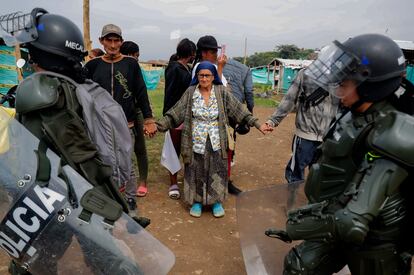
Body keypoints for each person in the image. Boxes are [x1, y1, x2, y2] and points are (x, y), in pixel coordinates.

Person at [2, 8, 146, 274]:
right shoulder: (83, 87)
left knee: (35, 262)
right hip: (79, 197)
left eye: (33, 54)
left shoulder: (44, 93)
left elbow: (74, 154)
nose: (31, 61)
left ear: (41, 57)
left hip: (54, 196)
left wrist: (116, 207)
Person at [269, 34, 413, 274]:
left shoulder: (391, 134)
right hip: (337, 215)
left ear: (370, 86)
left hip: (374, 238)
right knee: (299, 266)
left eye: (344, 84)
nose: (336, 88)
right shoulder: (354, 113)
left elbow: (352, 221)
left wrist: (298, 227)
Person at [157, 61, 269, 218]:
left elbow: (239, 110)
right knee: (195, 170)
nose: (204, 78)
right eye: (201, 75)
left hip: (217, 139)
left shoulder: (221, 92)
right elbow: (176, 113)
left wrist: (257, 124)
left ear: (213, 76)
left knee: (217, 170)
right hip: (196, 140)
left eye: (207, 75)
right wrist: (157, 126)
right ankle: (196, 202)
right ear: (197, 76)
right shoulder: (190, 92)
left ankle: (216, 202)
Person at [85, 24, 157, 211]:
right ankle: (107, 196)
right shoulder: (92, 65)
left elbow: (141, 92)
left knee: (126, 161)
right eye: (108, 40)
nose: (113, 44)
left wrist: (148, 119)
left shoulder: (130, 64)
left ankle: (130, 198)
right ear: (101, 41)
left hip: (126, 123)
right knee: (102, 160)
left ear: (121, 42)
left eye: (116, 40)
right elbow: (83, 94)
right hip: (99, 125)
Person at [265, 68, 339, 210]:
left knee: (320, 174)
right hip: (305, 134)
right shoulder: (305, 74)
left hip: (328, 137)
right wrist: (273, 120)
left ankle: (314, 207)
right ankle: (291, 205)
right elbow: (290, 98)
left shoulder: (342, 77)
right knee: (296, 172)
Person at [162, 38, 196, 199]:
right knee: (173, 150)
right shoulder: (175, 69)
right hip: (176, 116)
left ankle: (184, 180)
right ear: (191, 54)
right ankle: (173, 182)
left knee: (187, 150)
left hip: (186, 116)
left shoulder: (184, 68)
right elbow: (171, 94)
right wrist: (170, 116)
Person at [119, 40, 150, 200]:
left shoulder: (135, 68)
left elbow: (142, 93)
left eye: (138, 56)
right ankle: (123, 181)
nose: (136, 59)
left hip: (135, 112)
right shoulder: (117, 67)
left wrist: (147, 118)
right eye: (134, 56)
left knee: (139, 147)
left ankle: (142, 181)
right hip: (117, 115)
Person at [222, 58, 255, 194]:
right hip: (234, 109)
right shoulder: (245, 69)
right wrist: (249, 112)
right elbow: (248, 91)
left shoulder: (217, 64)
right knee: (230, 139)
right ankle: (226, 175)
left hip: (216, 105)